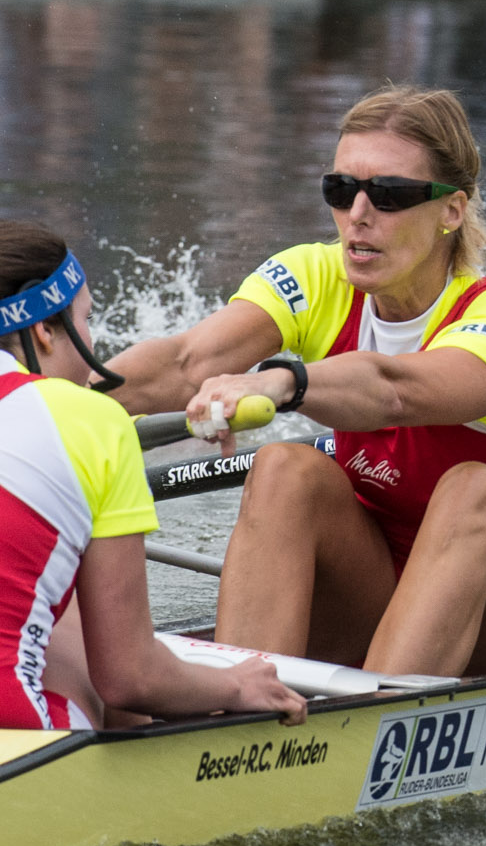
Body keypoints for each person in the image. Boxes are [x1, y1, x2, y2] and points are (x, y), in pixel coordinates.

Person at [109, 86, 486, 679]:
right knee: (285, 469)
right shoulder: (319, 276)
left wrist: (278, 381)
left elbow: (391, 389)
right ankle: (240, 714)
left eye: (390, 194)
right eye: (341, 191)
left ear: (452, 210)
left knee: (473, 490)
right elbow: (185, 362)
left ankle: (372, 731)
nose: (359, 215)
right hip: (389, 591)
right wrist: (38, 393)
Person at [0, 222, 304, 733]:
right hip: (20, 740)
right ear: (44, 332)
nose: (92, 340)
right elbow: (129, 676)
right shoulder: (92, 421)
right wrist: (236, 686)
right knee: (85, 621)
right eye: (87, 320)